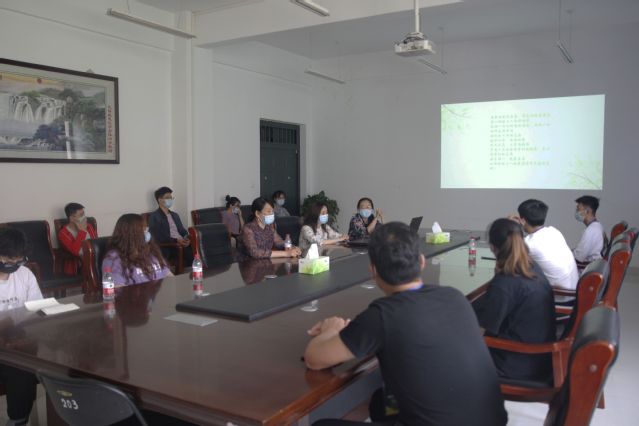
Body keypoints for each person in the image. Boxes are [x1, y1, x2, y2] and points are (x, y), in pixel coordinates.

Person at [306, 222, 507, 426]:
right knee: (380, 404)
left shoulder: (381, 316)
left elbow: (314, 359)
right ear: (421, 261)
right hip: (492, 422)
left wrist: (331, 328)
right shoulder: (454, 297)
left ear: (373, 271)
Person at [474, 218, 556, 381]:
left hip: (515, 363)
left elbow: (482, 331)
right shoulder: (531, 267)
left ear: (492, 247)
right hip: (539, 358)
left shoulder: (504, 283)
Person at [0, 228, 42, 426]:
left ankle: (19, 419)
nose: (15, 266)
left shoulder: (25, 275)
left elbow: (37, 308)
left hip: (18, 342)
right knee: (18, 368)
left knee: (26, 364)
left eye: (19, 261)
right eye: (9, 261)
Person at [512, 199, 579, 292]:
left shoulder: (530, 244)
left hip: (561, 295)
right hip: (574, 289)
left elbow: (509, 255)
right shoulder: (554, 231)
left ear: (522, 221)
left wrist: (509, 224)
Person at [102, 214, 172, 285]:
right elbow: (114, 289)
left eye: (146, 229)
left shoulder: (151, 251)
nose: (147, 232)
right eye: (143, 229)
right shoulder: (112, 260)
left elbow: (169, 275)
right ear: (132, 235)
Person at [147, 186, 193, 266]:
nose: (170, 200)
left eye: (171, 198)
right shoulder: (154, 216)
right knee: (191, 253)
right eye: (167, 197)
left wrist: (187, 238)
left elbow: (182, 230)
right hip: (169, 245)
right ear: (160, 200)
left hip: (181, 242)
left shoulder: (175, 215)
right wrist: (176, 240)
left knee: (198, 246)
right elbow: (157, 236)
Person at [58, 202, 98, 275]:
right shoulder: (63, 233)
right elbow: (75, 251)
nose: (84, 217)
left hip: (95, 260)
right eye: (81, 215)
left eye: (84, 214)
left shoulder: (89, 226)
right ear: (72, 218)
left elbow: (96, 244)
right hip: (78, 266)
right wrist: (82, 231)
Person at [573, 195, 606, 267]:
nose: (576, 212)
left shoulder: (591, 230)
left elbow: (578, 258)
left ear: (588, 211)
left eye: (578, 209)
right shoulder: (597, 226)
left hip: (585, 268)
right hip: (593, 265)